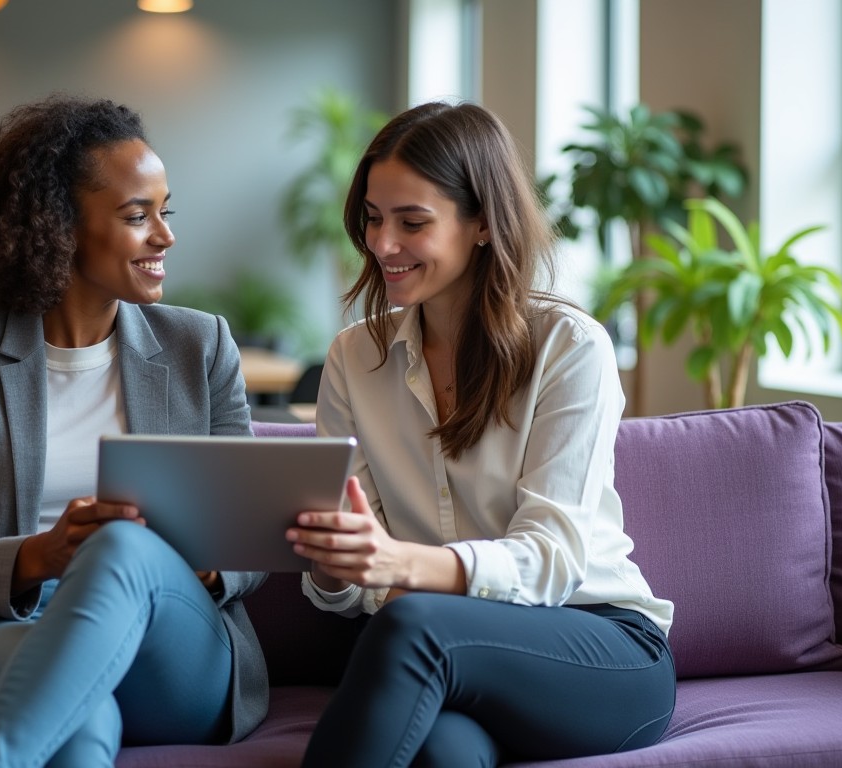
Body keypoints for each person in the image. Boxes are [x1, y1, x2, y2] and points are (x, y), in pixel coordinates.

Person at [0, 96, 268, 768]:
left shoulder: (200, 345)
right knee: (81, 723)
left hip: (171, 649)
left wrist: (200, 560)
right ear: (59, 227)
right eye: (136, 215)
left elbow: (250, 537)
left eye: (164, 210)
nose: (165, 236)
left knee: (122, 546)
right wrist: (43, 553)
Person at [286, 101, 676, 767]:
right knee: (443, 752)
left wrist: (400, 565)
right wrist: (336, 561)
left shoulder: (569, 347)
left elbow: (552, 557)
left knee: (413, 624)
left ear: (484, 225)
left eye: (413, 222)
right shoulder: (355, 358)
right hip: (445, 652)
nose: (382, 244)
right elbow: (352, 588)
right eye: (373, 219)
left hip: (596, 646)